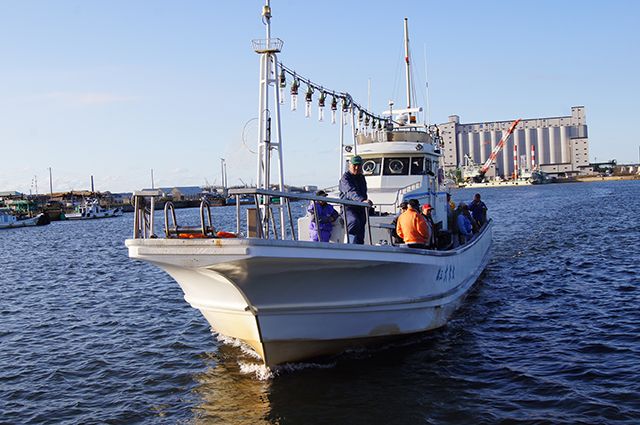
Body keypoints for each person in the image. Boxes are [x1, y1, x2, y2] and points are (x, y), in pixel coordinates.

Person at [339, 155, 373, 244]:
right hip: (348, 207)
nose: (357, 168)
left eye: (359, 165)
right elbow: (350, 192)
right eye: (354, 165)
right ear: (350, 165)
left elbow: (363, 192)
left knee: (361, 229)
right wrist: (362, 200)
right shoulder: (345, 178)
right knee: (353, 221)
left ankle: (359, 249)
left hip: (360, 208)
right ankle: (348, 246)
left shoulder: (361, 177)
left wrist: (365, 202)